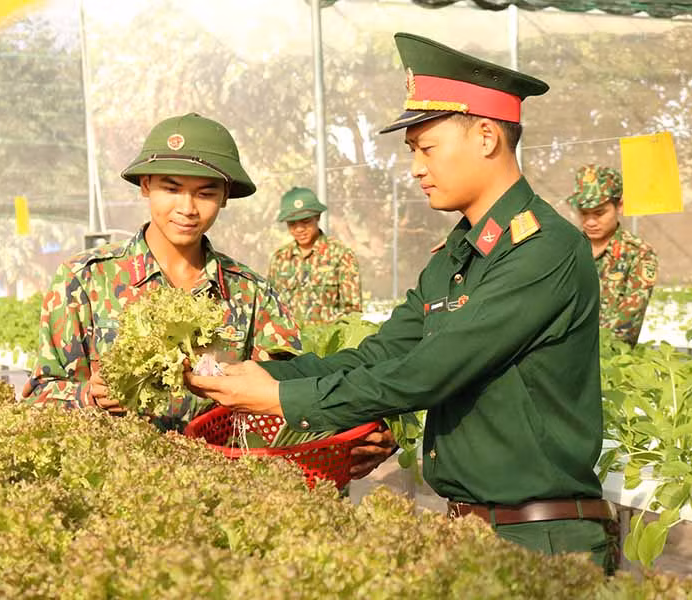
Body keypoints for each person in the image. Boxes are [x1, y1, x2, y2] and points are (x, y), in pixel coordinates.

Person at [185, 33, 618, 574]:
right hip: (476, 533)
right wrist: (268, 374)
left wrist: (282, 400)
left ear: (486, 136)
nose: (415, 168)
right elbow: (382, 353)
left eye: (426, 148)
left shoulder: (542, 249)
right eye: (412, 151)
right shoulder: (457, 256)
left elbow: (428, 372)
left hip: (543, 542)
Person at [20, 113, 392, 477]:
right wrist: (89, 396)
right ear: (145, 185)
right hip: (117, 486)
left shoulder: (251, 293)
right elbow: (39, 395)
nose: (187, 208)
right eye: (171, 188)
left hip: (220, 489)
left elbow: (287, 401)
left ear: (225, 196)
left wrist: (354, 435)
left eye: (205, 193)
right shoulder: (84, 280)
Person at [567, 165, 658, 346]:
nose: (590, 222)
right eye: (584, 213)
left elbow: (628, 321)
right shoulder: (567, 249)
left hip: (609, 354)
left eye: (599, 213)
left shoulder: (638, 253)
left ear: (620, 206)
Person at [267, 187, 362, 324]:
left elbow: (352, 311)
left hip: (328, 336)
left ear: (317, 217)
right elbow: (271, 305)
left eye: (306, 221)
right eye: (292, 224)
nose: (299, 229)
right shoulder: (280, 258)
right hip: (289, 336)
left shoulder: (341, 255)